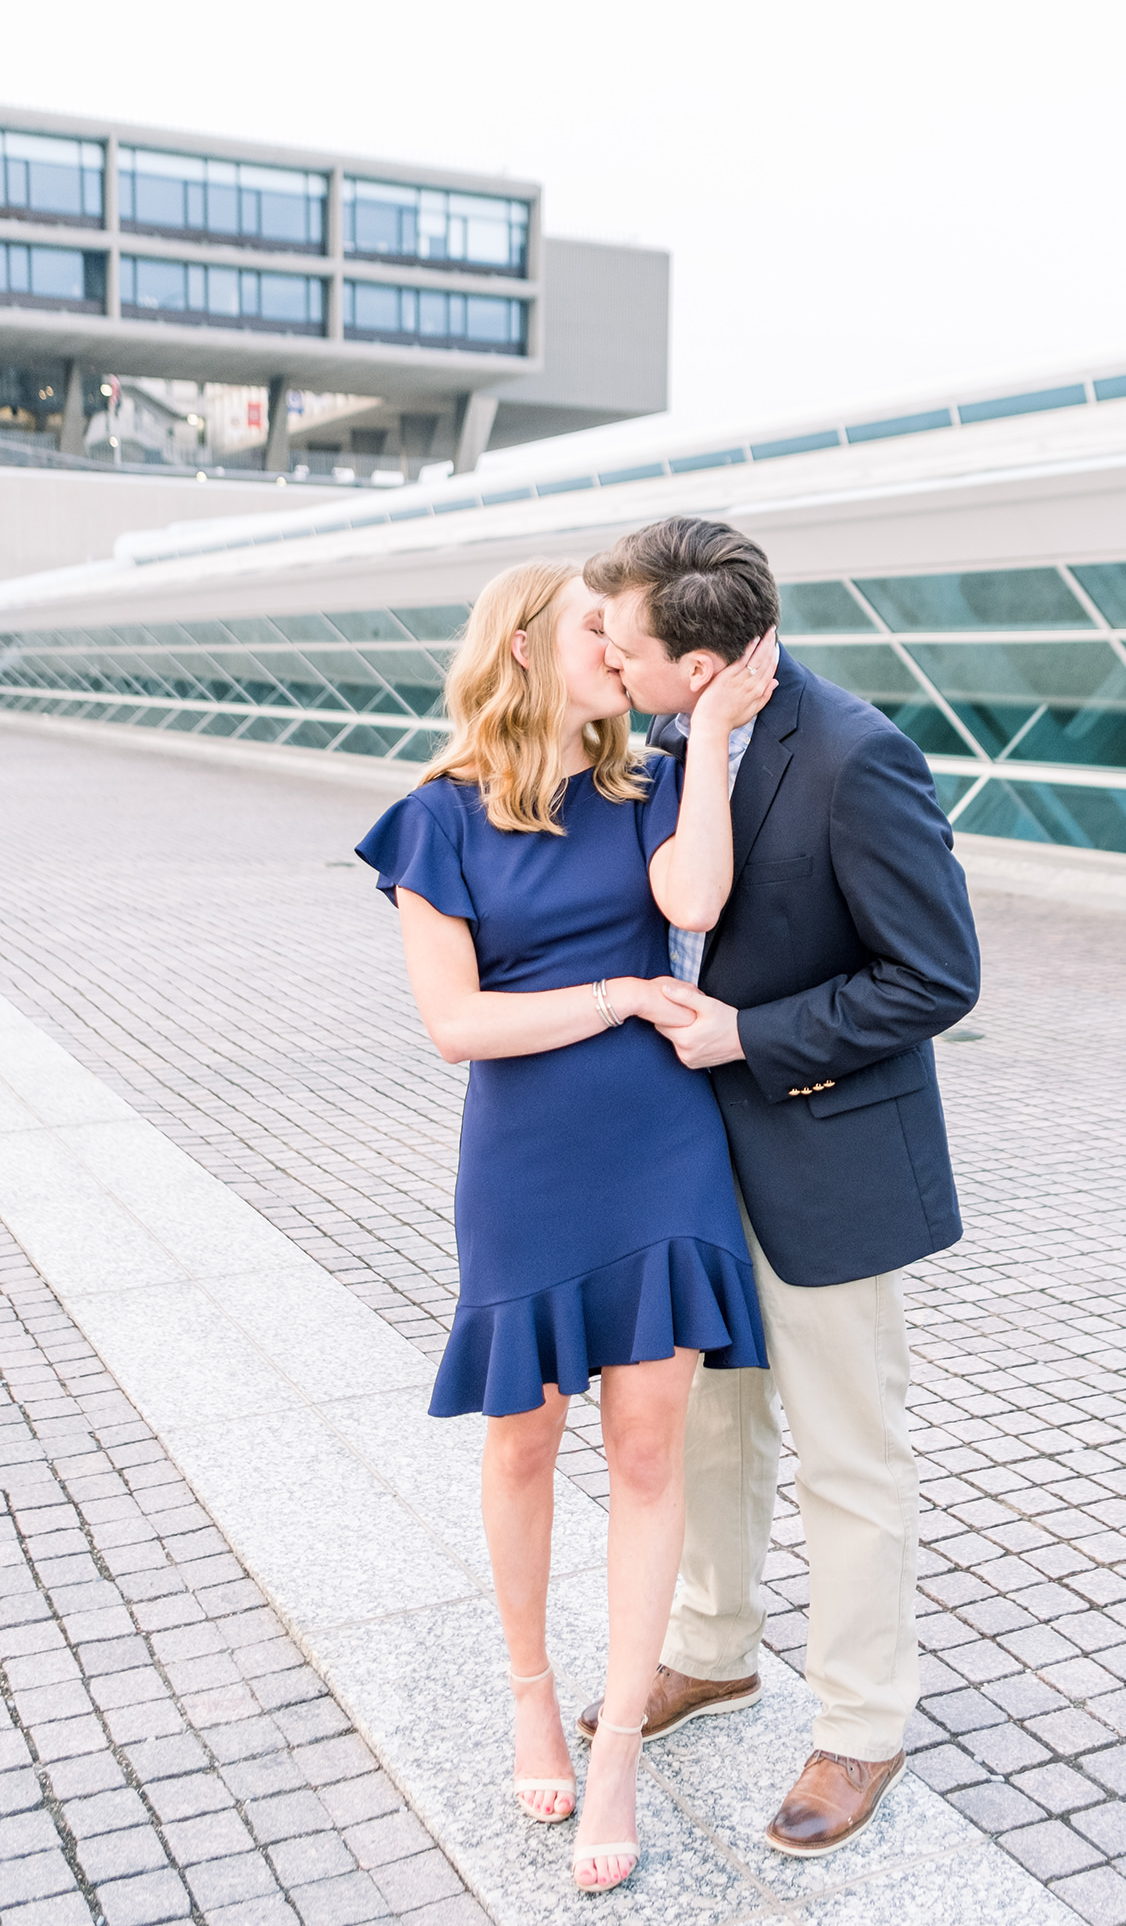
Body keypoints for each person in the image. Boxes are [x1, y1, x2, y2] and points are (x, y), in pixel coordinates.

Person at [354, 559, 775, 1893]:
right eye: (601, 627)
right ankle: (531, 1690)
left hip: (663, 1153)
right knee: (524, 1442)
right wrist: (616, 998)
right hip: (529, 1163)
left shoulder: (643, 784)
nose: (626, 644)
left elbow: (695, 906)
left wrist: (705, 732)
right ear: (527, 647)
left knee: (652, 1453)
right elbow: (455, 1025)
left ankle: (614, 1755)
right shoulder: (436, 817)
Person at [577, 517, 981, 1856]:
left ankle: (863, 1725)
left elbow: (936, 977)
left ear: (697, 665)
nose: (607, 659)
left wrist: (752, 1035)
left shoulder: (861, 758)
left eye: (624, 645)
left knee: (850, 1455)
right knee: (711, 1431)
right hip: (691, 1164)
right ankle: (715, 1646)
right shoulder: (657, 751)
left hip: (825, 1160)